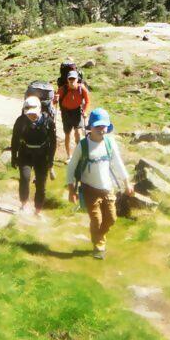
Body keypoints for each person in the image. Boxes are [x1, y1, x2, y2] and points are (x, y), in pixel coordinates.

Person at [66, 108, 132, 259]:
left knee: (112, 218)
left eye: (104, 127)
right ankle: (99, 246)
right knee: (96, 219)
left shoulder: (110, 143)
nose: (102, 130)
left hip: (108, 188)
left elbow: (118, 163)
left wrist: (127, 182)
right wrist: (71, 190)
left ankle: (97, 236)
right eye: (98, 126)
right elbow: (71, 168)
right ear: (91, 127)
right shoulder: (83, 145)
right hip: (89, 189)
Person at [11, 96, 57, 216]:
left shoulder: (48, 122)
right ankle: (23, 204)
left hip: (42, 155)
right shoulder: (21, 121)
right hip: (25, 153)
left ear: (40, 110)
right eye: (29, 114)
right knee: (25, 179)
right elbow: (15, 139)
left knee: (41, 184)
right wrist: (13, 156)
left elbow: (53, 143)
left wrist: (51, 161)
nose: (31, 116)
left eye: (33, 113)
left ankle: (37, 210)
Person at [56, 69, 91, 161]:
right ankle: (69, 156)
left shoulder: (82, 88)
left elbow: (87, 101)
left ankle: (78, 154)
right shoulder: (62, 89)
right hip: (66, 113)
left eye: (73, 79)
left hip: (77, 112)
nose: (72, 81)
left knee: (78, 133)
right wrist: (55, 99)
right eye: (70, 79)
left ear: (77, 79)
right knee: (67, 134)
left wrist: (85, 111)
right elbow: (54, 101)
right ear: (67, 80)